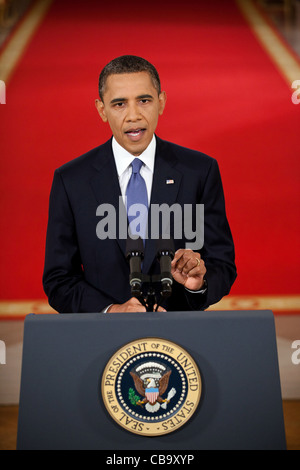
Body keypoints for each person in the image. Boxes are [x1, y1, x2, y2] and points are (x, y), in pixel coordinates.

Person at [43, 55, 237, 313]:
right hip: (104, 341)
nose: (133, 115)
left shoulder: (199, 171)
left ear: (161, 102)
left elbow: (222, 264)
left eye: (144, 101)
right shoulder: (71, 180)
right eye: (119, 104)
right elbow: (58, 279)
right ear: (102, 110)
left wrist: (197, 284)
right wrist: (112, 310)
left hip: (179, 337)